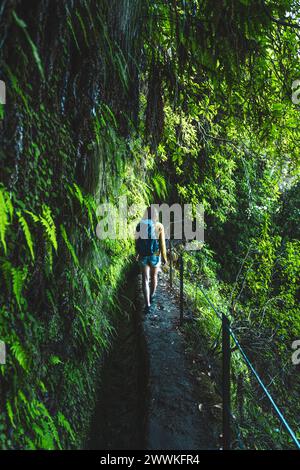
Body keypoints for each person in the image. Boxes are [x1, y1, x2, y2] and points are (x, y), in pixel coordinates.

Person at [135, 206, 167, 312]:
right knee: (154, 277)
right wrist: (164, 257)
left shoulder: (140, 225)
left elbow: (136, 241)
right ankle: (152, 296)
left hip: (143, 255)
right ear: (155, 215)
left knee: (145, 279)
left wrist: (137, 253)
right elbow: (162, 244)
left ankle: (147, 304)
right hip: (155, 255)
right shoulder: (159, 226)